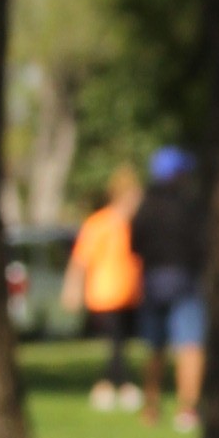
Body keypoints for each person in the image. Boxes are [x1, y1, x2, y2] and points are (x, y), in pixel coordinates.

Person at [129, 145, 209, 432]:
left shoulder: (146, 206)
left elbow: (134, 245)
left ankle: (151, 408)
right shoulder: (191, 206)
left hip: (153, 280)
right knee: (190, 344)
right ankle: (187, 408)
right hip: (185, 280)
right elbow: (203, 245)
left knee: (154, 347)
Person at [62, 163, 143, 408]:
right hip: (105, 294)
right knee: (116, 343)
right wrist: (72, 289)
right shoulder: (99, 223)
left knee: (121, 343)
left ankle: (109, 385)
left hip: (131, 293)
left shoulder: (135, 225)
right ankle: (119, 386)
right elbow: (80, 260)